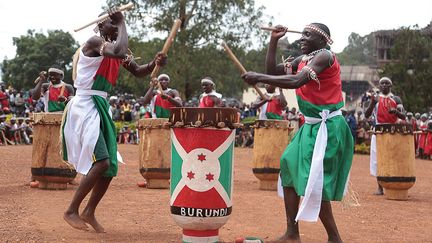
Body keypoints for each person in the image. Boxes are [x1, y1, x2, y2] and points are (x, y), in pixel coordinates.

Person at [242, 23, 353, 243]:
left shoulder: (324, 56)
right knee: (288, 165)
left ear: (323, 40)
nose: (301, 38)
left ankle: (335, 238)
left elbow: (296, 81)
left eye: (307, 35)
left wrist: (261, 78)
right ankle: (292, 233)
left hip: (328, 127)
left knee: (315, 181)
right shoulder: (302, 59)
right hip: (310, 126)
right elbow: (273, 71)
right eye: (301, 34)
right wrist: (274, 40)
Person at [61, 9, 167, 233]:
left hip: (100, 107)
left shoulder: (115, 48)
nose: (115, 25)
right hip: (85, 106)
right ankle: (71, 210)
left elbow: (138, 71)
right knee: (102, 162)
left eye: (115, 22)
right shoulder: (94, 42)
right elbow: (119, 51)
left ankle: (89, 211)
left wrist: (154, 63)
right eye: (111, 22)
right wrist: (122, 22)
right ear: (100, 26)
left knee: (110, 167)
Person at [364, 77, 406, 195]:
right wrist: (372, 102)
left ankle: (392, 185)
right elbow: (367, 115)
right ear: (379, 85)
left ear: (391, 85)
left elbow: (403, 115)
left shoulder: (396, 99)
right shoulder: (375, 99)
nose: (384, 85)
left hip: (393, 132)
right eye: (382, 83)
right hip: (378, 132)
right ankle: (380, 187)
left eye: (387, 83)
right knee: (378, 160)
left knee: (393, 158)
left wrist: (396, 112)